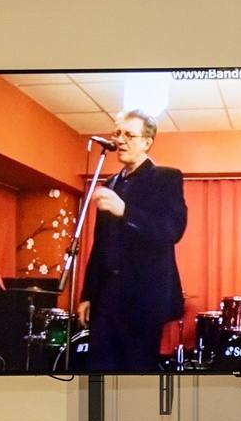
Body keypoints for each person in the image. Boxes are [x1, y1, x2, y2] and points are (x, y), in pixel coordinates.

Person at [78, 110, 187, 372]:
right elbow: (100, 245)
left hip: (144, 298)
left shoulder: (166, 178)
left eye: (129, 134)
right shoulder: (110, 183)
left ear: (147, 142)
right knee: (99, 368)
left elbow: (172, 230)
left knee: (135, 372)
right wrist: (88, 294)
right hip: (106, 298)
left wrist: (125, 211)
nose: (120, 140)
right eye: (117, 133)